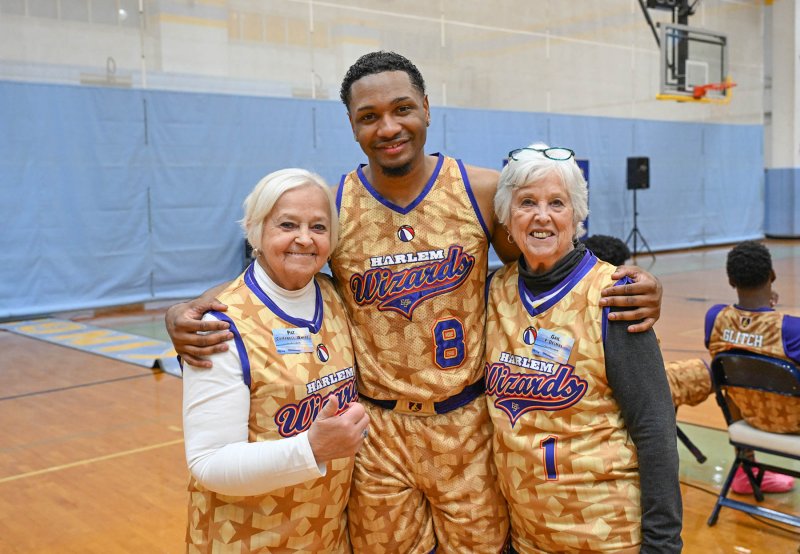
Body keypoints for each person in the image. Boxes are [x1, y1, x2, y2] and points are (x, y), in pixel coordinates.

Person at [168, 52, 665, 553]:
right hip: (378, 432)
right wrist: (189, 309)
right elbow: (279, 270)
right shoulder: (336, 205)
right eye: (369, 116)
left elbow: (547, 255)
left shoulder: (481, 189)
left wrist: (629, 281)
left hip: (467, 424)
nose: (388, 127)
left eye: (402, 108)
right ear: (352, 125)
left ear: (427, 107)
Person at [484, 144, 682, 553]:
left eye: (557, 202)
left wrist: (663, 545)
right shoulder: (492, 291)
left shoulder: (616, 297)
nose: (542, 216)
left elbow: (656, 429)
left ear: (575, 216)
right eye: (526, 203)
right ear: (506, 217)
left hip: (606, 535)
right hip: (527, 536)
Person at [183, 168, 369, 553]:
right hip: (246, 538)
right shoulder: (220, 325)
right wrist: (311, 449)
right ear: (255, 229)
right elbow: (208, 463)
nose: (304, 238)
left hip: (325, 535)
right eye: (288, 224)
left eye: (318, 227)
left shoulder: (335, 298)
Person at [705, 240, 799, 494]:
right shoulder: (791, 329)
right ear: (772, 276)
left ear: (731, 281)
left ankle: (747, 471)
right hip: (794, 424)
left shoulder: (715, 318)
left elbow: (750, 336)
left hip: (748, 420)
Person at [584, 234, 712, 408]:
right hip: (627, 391)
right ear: (620, 268)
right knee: (703, 371)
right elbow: (646, 372)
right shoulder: (627, 310)